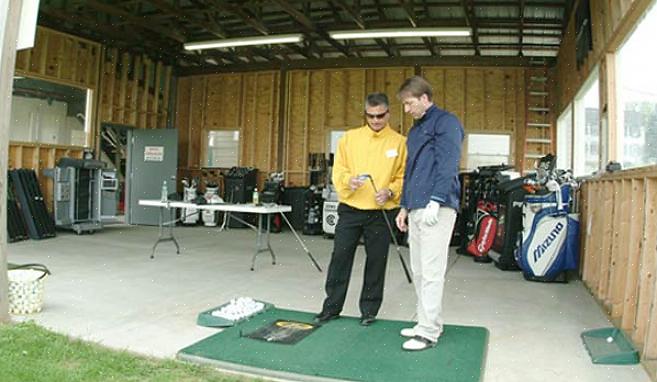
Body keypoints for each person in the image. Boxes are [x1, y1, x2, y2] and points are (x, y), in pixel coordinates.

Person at [315, 92, 407, 326]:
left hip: (381, 212)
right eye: (371, 116)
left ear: (389, 113)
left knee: (376, 261)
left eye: (380, 115)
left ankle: (369, 311)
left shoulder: (400, 142)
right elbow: (339, 170)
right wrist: (348, 181)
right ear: (365, 114)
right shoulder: (349, 138)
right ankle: (331, 308)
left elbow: (403, 176)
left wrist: (391, 191)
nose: (376, 120)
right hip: (351, 209)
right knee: (340, 258)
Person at [394, 76, 464, 351]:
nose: (407, 109)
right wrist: (404, 206)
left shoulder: (446, 122)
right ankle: (428, 321)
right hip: (416, 206)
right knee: (420, 271)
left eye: (409, 103)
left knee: (433, 271)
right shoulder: (414, 130)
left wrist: (436, 200)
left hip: (438, 207)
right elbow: (410, 171)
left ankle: (428, 332)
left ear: (424, 98)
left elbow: (448, 163)